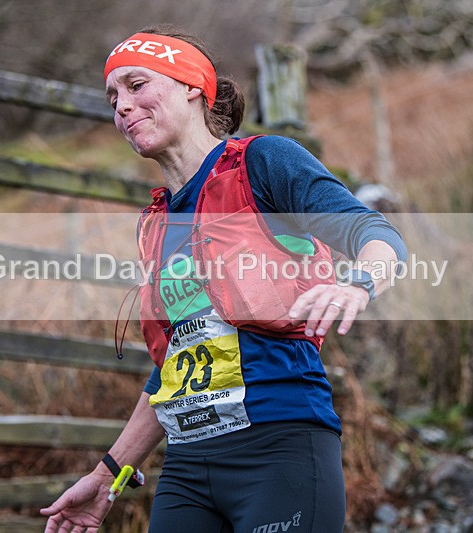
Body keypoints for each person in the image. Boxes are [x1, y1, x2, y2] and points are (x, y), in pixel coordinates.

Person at [41, 25, 406, 533]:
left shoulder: (263, 162)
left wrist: (357, 282)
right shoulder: (158, 223)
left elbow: (376, 234)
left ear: (192, 86)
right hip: (188, 470)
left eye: (136, 85)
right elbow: (178, 363)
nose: (121, 106)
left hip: (280, 448)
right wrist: (109, 474)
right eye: (113, 96)